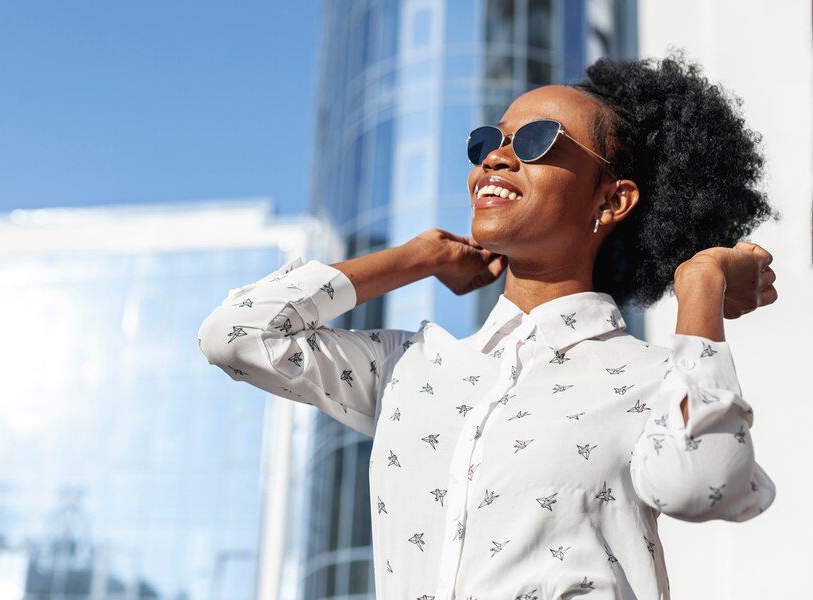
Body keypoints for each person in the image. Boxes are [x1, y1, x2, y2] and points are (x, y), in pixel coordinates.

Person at [197, 50, 778, 600]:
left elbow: (704, 482)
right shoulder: (412, 368)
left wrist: (700, 285)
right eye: (488, 142)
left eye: (536, 140)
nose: (496, 157)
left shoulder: (654, 379)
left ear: (612, 201)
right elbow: (237, 335)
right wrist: (418, 256)